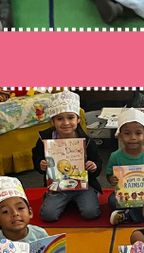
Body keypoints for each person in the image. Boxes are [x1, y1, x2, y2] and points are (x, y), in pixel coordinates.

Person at [32, 89, 102, 222]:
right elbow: (36, 158)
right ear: (52, 121)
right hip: (58, 185)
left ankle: (88, 196)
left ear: (78, 119)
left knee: (91, 213)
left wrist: (93, 167)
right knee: (48, 216)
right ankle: (53, 198)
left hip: (83, 186)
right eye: (59, 119)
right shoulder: (45, 140)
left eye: (70, 118)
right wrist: (40, 164)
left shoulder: (86, 141)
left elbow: (98, 162)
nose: (65, 123)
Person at [106, 108, 144, 224]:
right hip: (126, 194)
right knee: (111, 201)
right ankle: (140, 213)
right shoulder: (115, 156)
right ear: (120, 136)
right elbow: (109, 174)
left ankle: (129, 215)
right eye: (127, 133)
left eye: (138, 133)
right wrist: (112, 179)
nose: (133, 137)